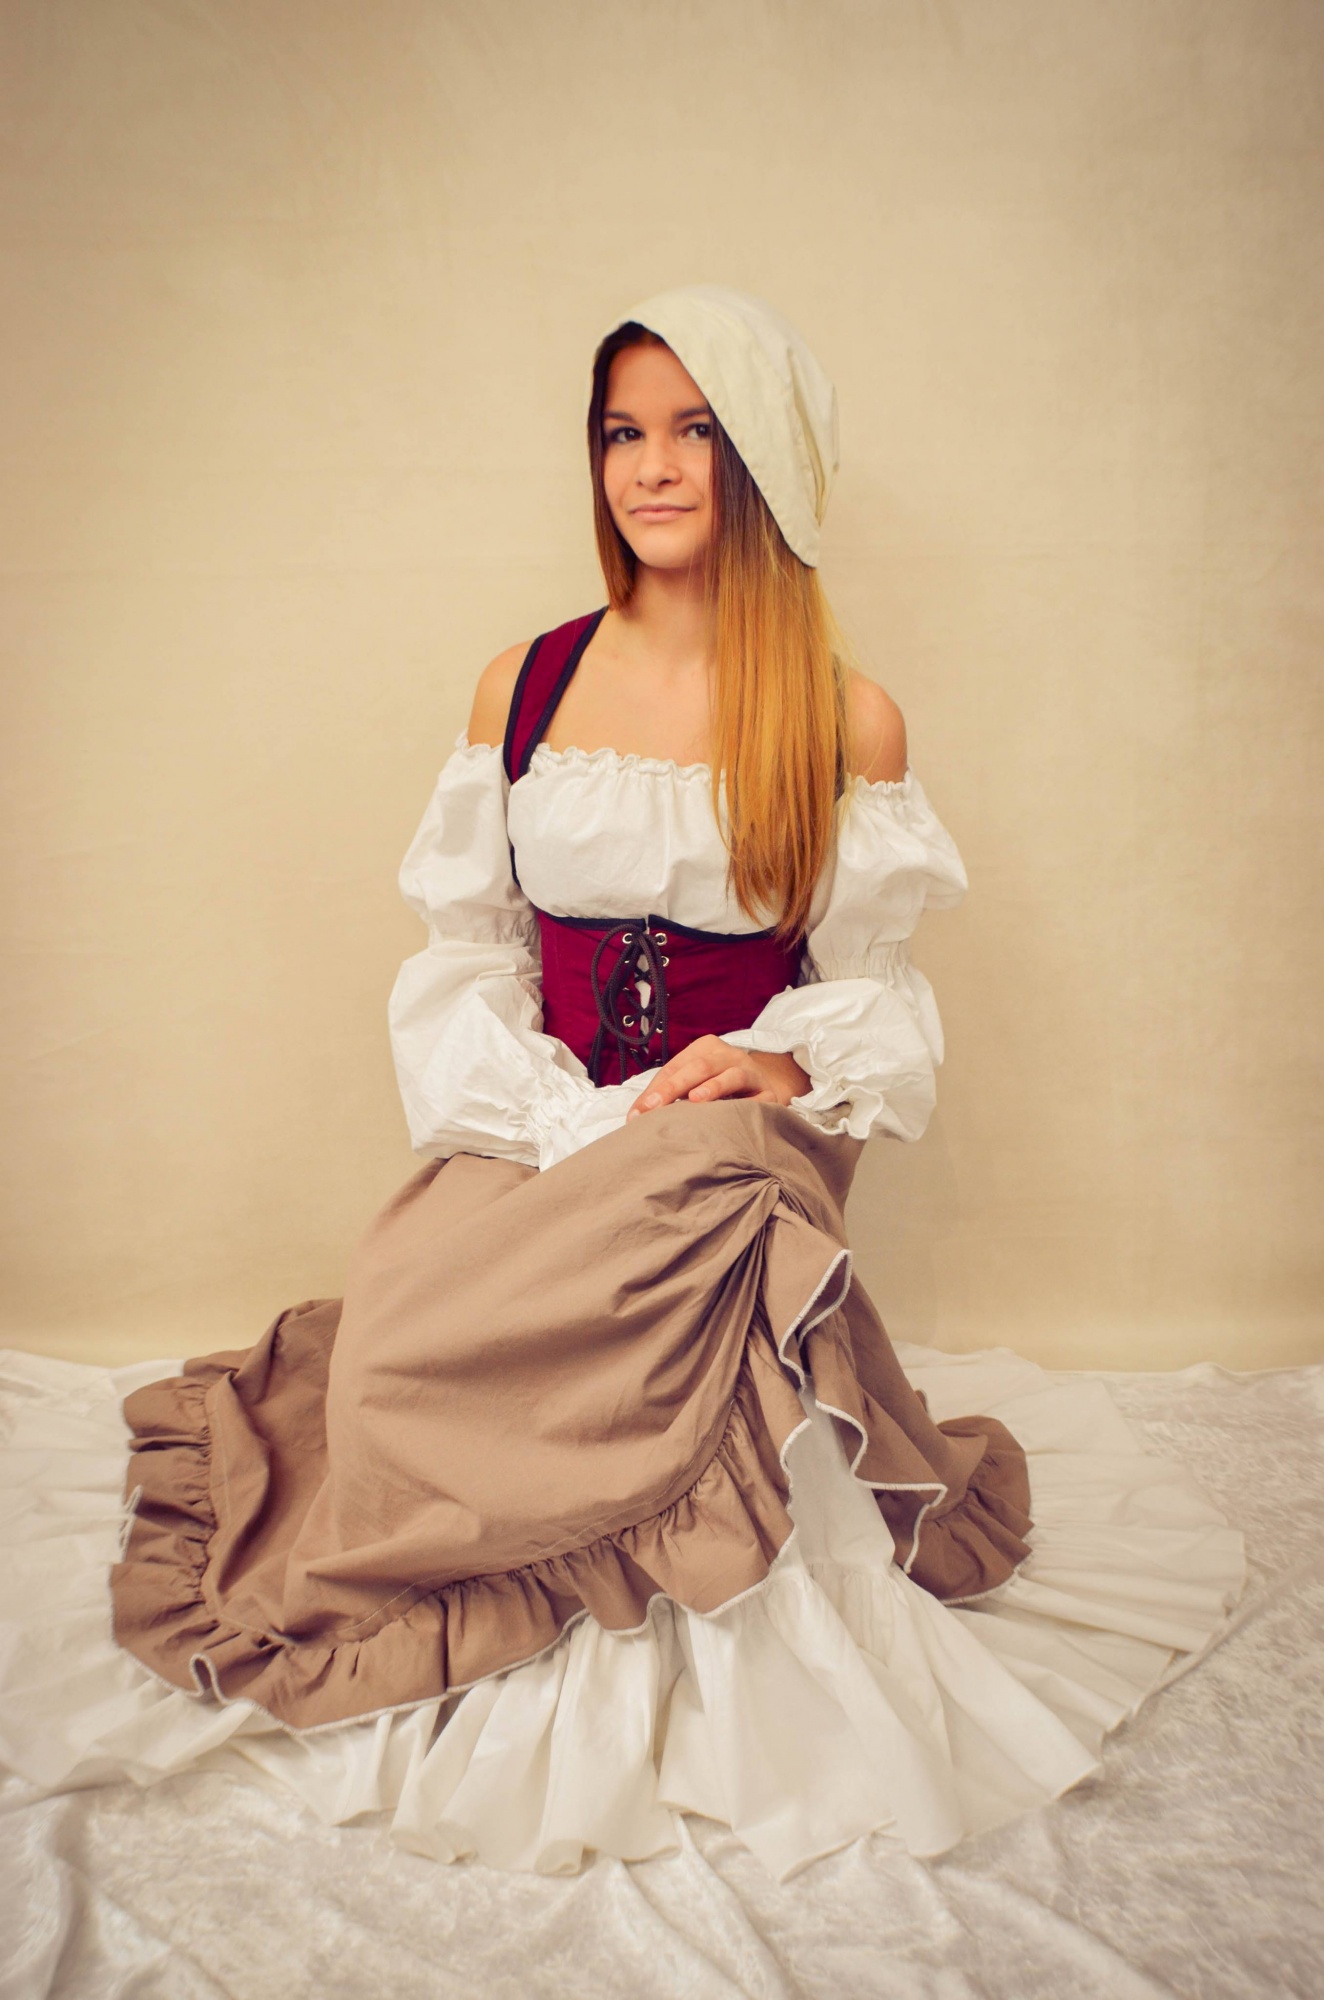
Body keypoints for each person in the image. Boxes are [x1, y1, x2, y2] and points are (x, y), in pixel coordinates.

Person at [16, 287, 1245, 1881]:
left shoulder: (845, 716)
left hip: (736, 1137)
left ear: (767, 458)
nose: (652, 467)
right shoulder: (523, 686)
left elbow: (874, 992)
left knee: (675, 1221)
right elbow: (473, 955)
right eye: (622, 432)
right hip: (546, 1106)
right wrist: (550, 1112)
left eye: (694, 432)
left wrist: (779, 1056)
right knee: (390, 1345)